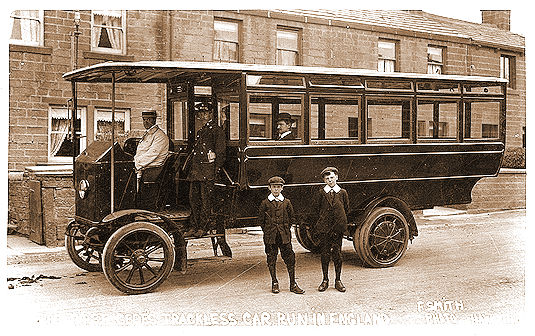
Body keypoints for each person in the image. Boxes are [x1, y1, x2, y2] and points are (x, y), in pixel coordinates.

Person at [257, 176, 305, 294]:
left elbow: (291, 218)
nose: (276, 189)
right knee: (271, 259)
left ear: (282, 188)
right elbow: (261, 221)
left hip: (284, 237)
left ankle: (293, 284)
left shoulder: (287, 202)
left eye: (278, 187)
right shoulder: (265, 203)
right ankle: (274, 282)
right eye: (274, 187)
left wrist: (284, 230)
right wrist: (269, 231)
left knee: (290, 259)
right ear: (269, 188)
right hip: (270, 237)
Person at [185, 102, 226, 238]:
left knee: (205, 201)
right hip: (197, 171)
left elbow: (220, 153)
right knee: (194, 199)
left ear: (210, 114)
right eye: (200, 113)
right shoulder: (202, 130)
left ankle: (203, 227)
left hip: (207, 172)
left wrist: (215, 171)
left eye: (205, 113)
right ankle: (194, 226)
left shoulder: (216, 130)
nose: (202, 116)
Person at [311, 167, 349, 292]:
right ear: (324, 180)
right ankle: (325, 280)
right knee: (325, 254)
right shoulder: (321, 193)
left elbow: (346, 210)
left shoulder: (342, 192)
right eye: (327, 178)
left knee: (337, 254)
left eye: (332, 177)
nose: (330, 180)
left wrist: (340, 223)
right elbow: (316, 210)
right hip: (325, 229)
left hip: (337, 229)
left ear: (336, 177)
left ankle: (338, 280)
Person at [134, 110, 169, 180]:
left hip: (153, 169)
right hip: (144, 166)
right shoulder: (148, 134)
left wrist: (136, 163)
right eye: (144, 119)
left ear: (154, 120)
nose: (145, 122)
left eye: (149, 119)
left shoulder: (160, 136)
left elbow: (152, 154)